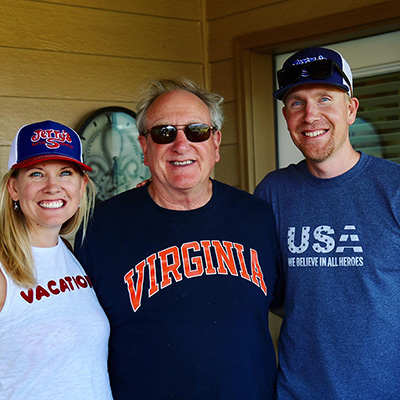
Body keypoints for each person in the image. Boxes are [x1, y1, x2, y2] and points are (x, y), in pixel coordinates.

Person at [75, 77, 280, 399]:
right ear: (144, 147)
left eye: (196, 131)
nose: (181, 145)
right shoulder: (100, 227)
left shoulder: (258, 217)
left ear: (215, 144)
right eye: (164, 133)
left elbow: (295, 308)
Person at [254, 46, 400, 399]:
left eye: (324, 98)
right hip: (297, 391)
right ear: (286, 115)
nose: (310, 115)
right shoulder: (272, 192)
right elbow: (268, 290)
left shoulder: (394, 187)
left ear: (350, 109)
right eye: (296, 103)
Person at [0, 120, 113, 399]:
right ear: (14, 187)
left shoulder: (69, 252)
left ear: (82, 185)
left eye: (65, 173)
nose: (53, 187)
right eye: (37, 174)